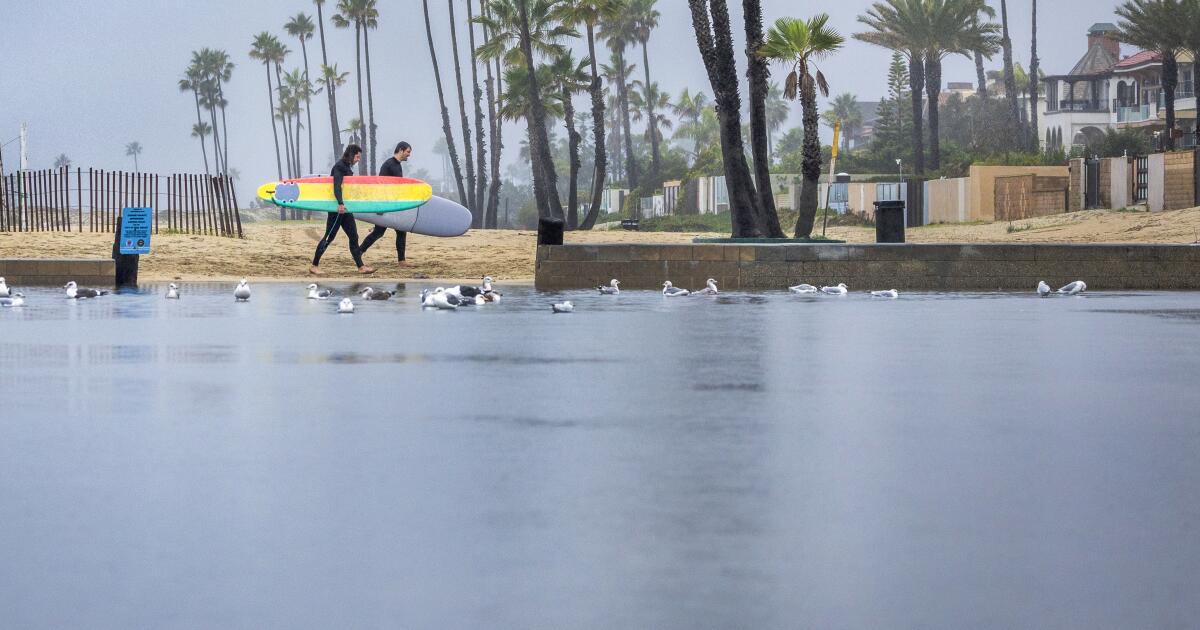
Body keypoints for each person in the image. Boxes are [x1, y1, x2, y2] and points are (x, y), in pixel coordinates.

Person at [310, 144, 376, 275]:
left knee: (353, 236)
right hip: (337, 209)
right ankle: (314, 265)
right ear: (351, 155)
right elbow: (337, 186)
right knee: (329, 237)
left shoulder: (347, 167)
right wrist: (340, 203)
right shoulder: (340, 166)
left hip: (345, 209)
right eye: (357, 156)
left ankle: (361, 266)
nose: (358, 159)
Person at [360, 141, 412, 264]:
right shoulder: (389, 164)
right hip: (385, 204)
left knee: (400, 231)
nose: (409, 155)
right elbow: (381, 185)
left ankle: (401, 260)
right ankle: (359, 251)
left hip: (393, 204)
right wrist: (381, 207)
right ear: (400, 150)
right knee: (379, 232)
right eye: (408, 152)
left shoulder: (397, 165)